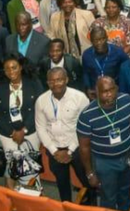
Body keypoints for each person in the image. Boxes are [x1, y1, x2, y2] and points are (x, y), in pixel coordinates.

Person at [78, 76, 130, 210]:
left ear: (117, 89)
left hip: (127, 158)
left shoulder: (128, 102)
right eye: (104, 91)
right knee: (108, 198)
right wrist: (90, 173)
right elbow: (84, 148)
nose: (109, 94)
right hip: (104, 163)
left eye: (112, 90)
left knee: (125, 194)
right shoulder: (87, 115)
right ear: (96, 92)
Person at [35, 67, 92, 201]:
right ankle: (66, 205)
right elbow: (41, 128)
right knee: (62, 184)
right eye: (52, 81)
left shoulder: (80, 98)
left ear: (66, 80)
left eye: (60, 80)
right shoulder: (41, 101)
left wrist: (70, 150)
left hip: (77, 148)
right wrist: (55, 151)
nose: (56, 84)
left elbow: (83, 128)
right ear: (48, 83)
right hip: (54, 150)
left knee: (87, 181)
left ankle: (91, 205)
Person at [0, 56, 42, 186]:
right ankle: (10, 200)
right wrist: (12, 132)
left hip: (30, 132)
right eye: (7, 69)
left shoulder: (33, 82)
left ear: (21, 67)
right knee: (12, 165)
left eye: (14, 67)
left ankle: (33, 198)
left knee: (30, 165)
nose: (11, 71)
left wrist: (23, 130)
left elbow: (39, 107)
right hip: (8, 135)